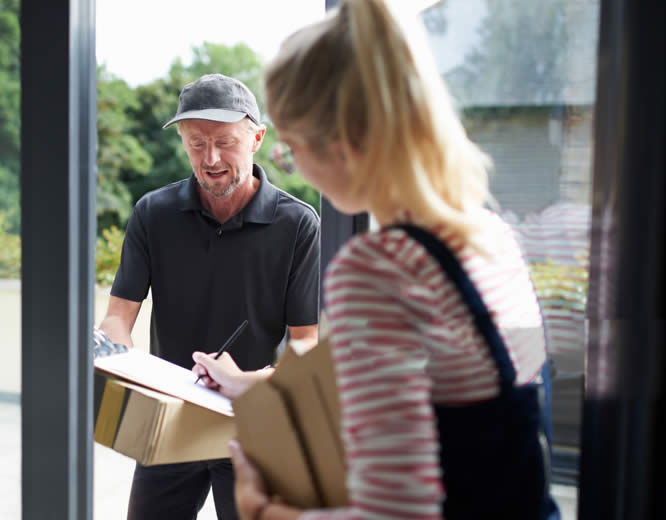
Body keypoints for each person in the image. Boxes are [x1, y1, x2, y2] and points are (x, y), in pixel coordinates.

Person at [200, 1, 561, 519]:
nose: (293, 166)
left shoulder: (378, 269)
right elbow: (449, 395)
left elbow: (396, 514)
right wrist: (246, 384)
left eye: (292, 149)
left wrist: (264, 512)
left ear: (344, 144)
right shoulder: (490, 237)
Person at [99, 73, 321, 520]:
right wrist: (113, 354)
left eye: (225, 142)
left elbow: (306, 346)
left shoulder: (298, 225)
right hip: (167, 422)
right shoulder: (152, 214)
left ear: (257, 138)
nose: (211, 158)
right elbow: (118, 316)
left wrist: (250, 379)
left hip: (254, 428)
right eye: (196, 143)